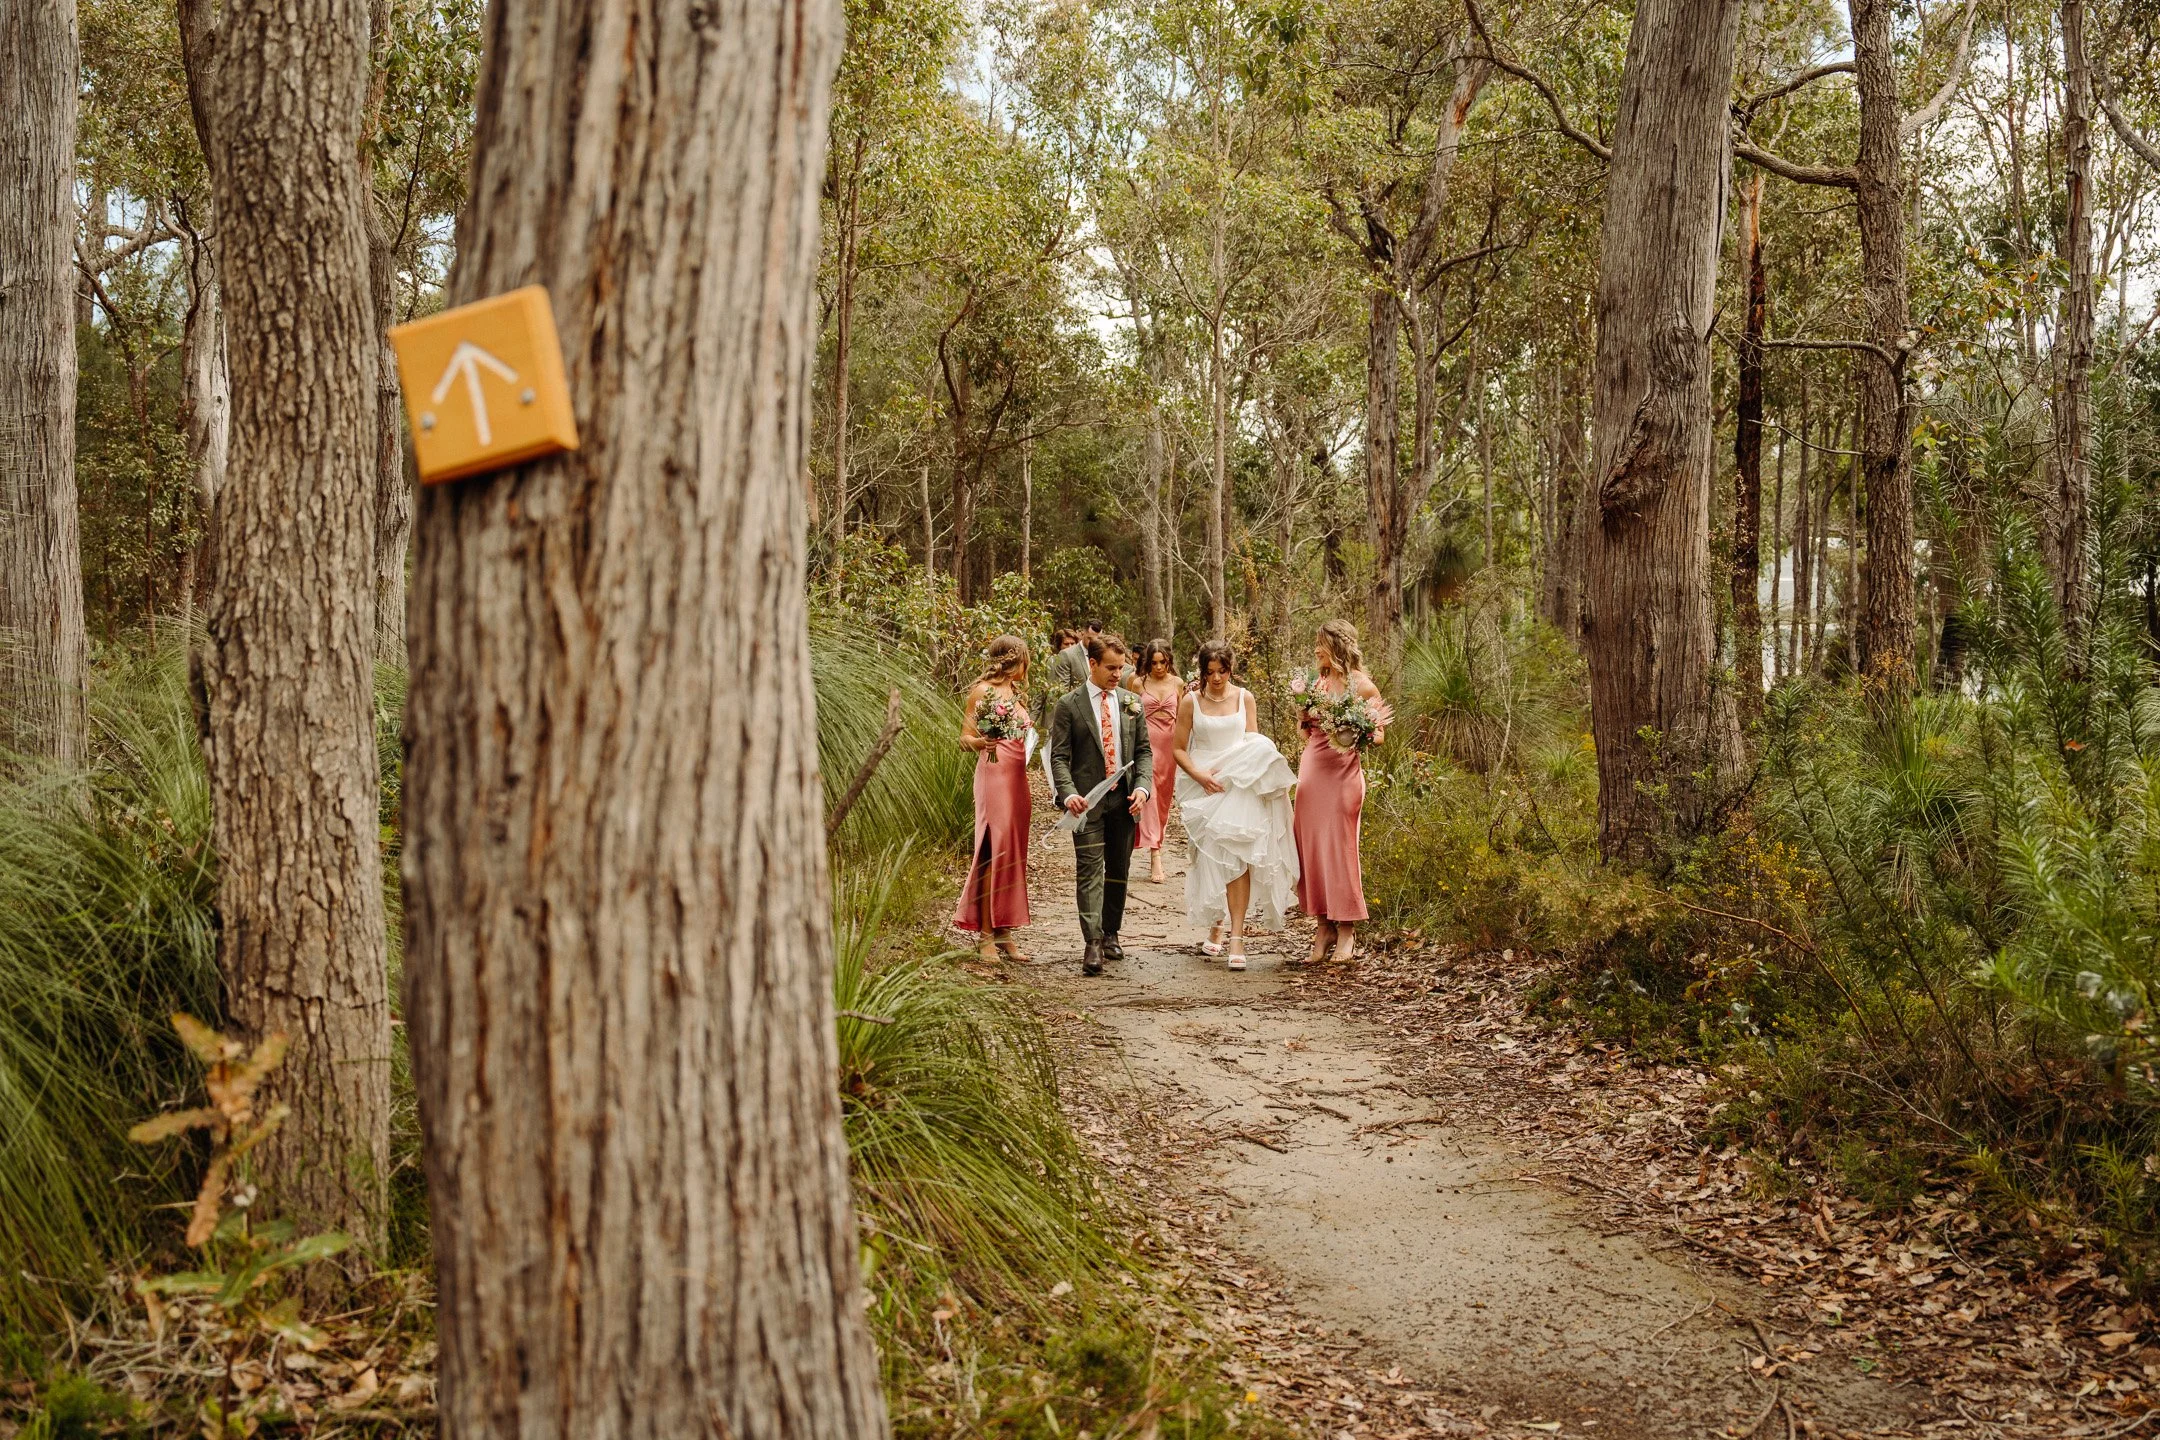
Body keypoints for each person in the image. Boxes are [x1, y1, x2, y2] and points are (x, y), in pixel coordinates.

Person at [1173, 638, 1297, 972]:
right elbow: (1179, 749)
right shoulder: (1190, 702)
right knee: (1211, 857)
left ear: (1231, 669)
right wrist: (1200, 776)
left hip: (1238, 783)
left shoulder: (1245, 698)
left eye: (1222, 671)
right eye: (1210, 672)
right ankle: (1217, 922)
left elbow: (1253, 743)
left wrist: (1248, 776)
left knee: (1238, 857)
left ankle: (1237, 936)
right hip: (1205, 783)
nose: (1216, 678)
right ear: (1202, 671)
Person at [1048, 632, 1153, 976]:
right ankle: (1091, 942)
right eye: (1110, 667)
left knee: (1119, 870)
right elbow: (1059, 756)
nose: (1117, 674)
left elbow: (1143, 752)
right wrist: (1067, 793)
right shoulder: (1069, 704)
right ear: (1091, 664)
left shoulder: (1129, 701)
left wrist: (1142, 788)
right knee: (1089, 869)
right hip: (1087, 803)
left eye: (1121, 668)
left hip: (1124, 801)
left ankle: (1111, 932)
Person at [1294, 620, 1386, 964]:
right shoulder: (1316, 683)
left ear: (1337, 646)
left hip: (1344, 776)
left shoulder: (1363, 686)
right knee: (1313, 851)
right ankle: (1323, 927)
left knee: (1341, 849)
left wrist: (1354, 730)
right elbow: (1305, 734)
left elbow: (1379, 736)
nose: (1316, 650)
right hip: (1312, 773)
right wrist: (1303, 714)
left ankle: (1347, 929)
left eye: (1321, 644)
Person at [953, 636, 1034, 962]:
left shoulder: (1014, 693)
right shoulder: (982, 691)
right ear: (1016, 660)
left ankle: (1004, 930)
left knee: (1013, 852)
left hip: (1017, 778)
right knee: (992, 849)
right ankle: (985, 933)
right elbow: (963, 738)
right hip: (993, 776)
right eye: (1026, 660)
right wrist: (980, 743)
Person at [1132, 639, 1182, 883]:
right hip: (1146, 746)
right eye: (1153, 663)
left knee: (1163, 801)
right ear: (1147, 662)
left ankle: (1157, 838)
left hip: (1170, 748)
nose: (1159, 667)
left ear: (1169, 661)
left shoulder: (1178, 684)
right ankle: (1155, 854)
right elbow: (1129, 718)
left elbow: (1183, 720)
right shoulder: (1137, 683)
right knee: (1149, 795)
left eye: (1163, 662)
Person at [1048, 620, 1099, 694]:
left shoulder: (1094, 654)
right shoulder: (1053, 661)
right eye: (1066, 644)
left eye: (1072, 643)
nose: (1069, 647)